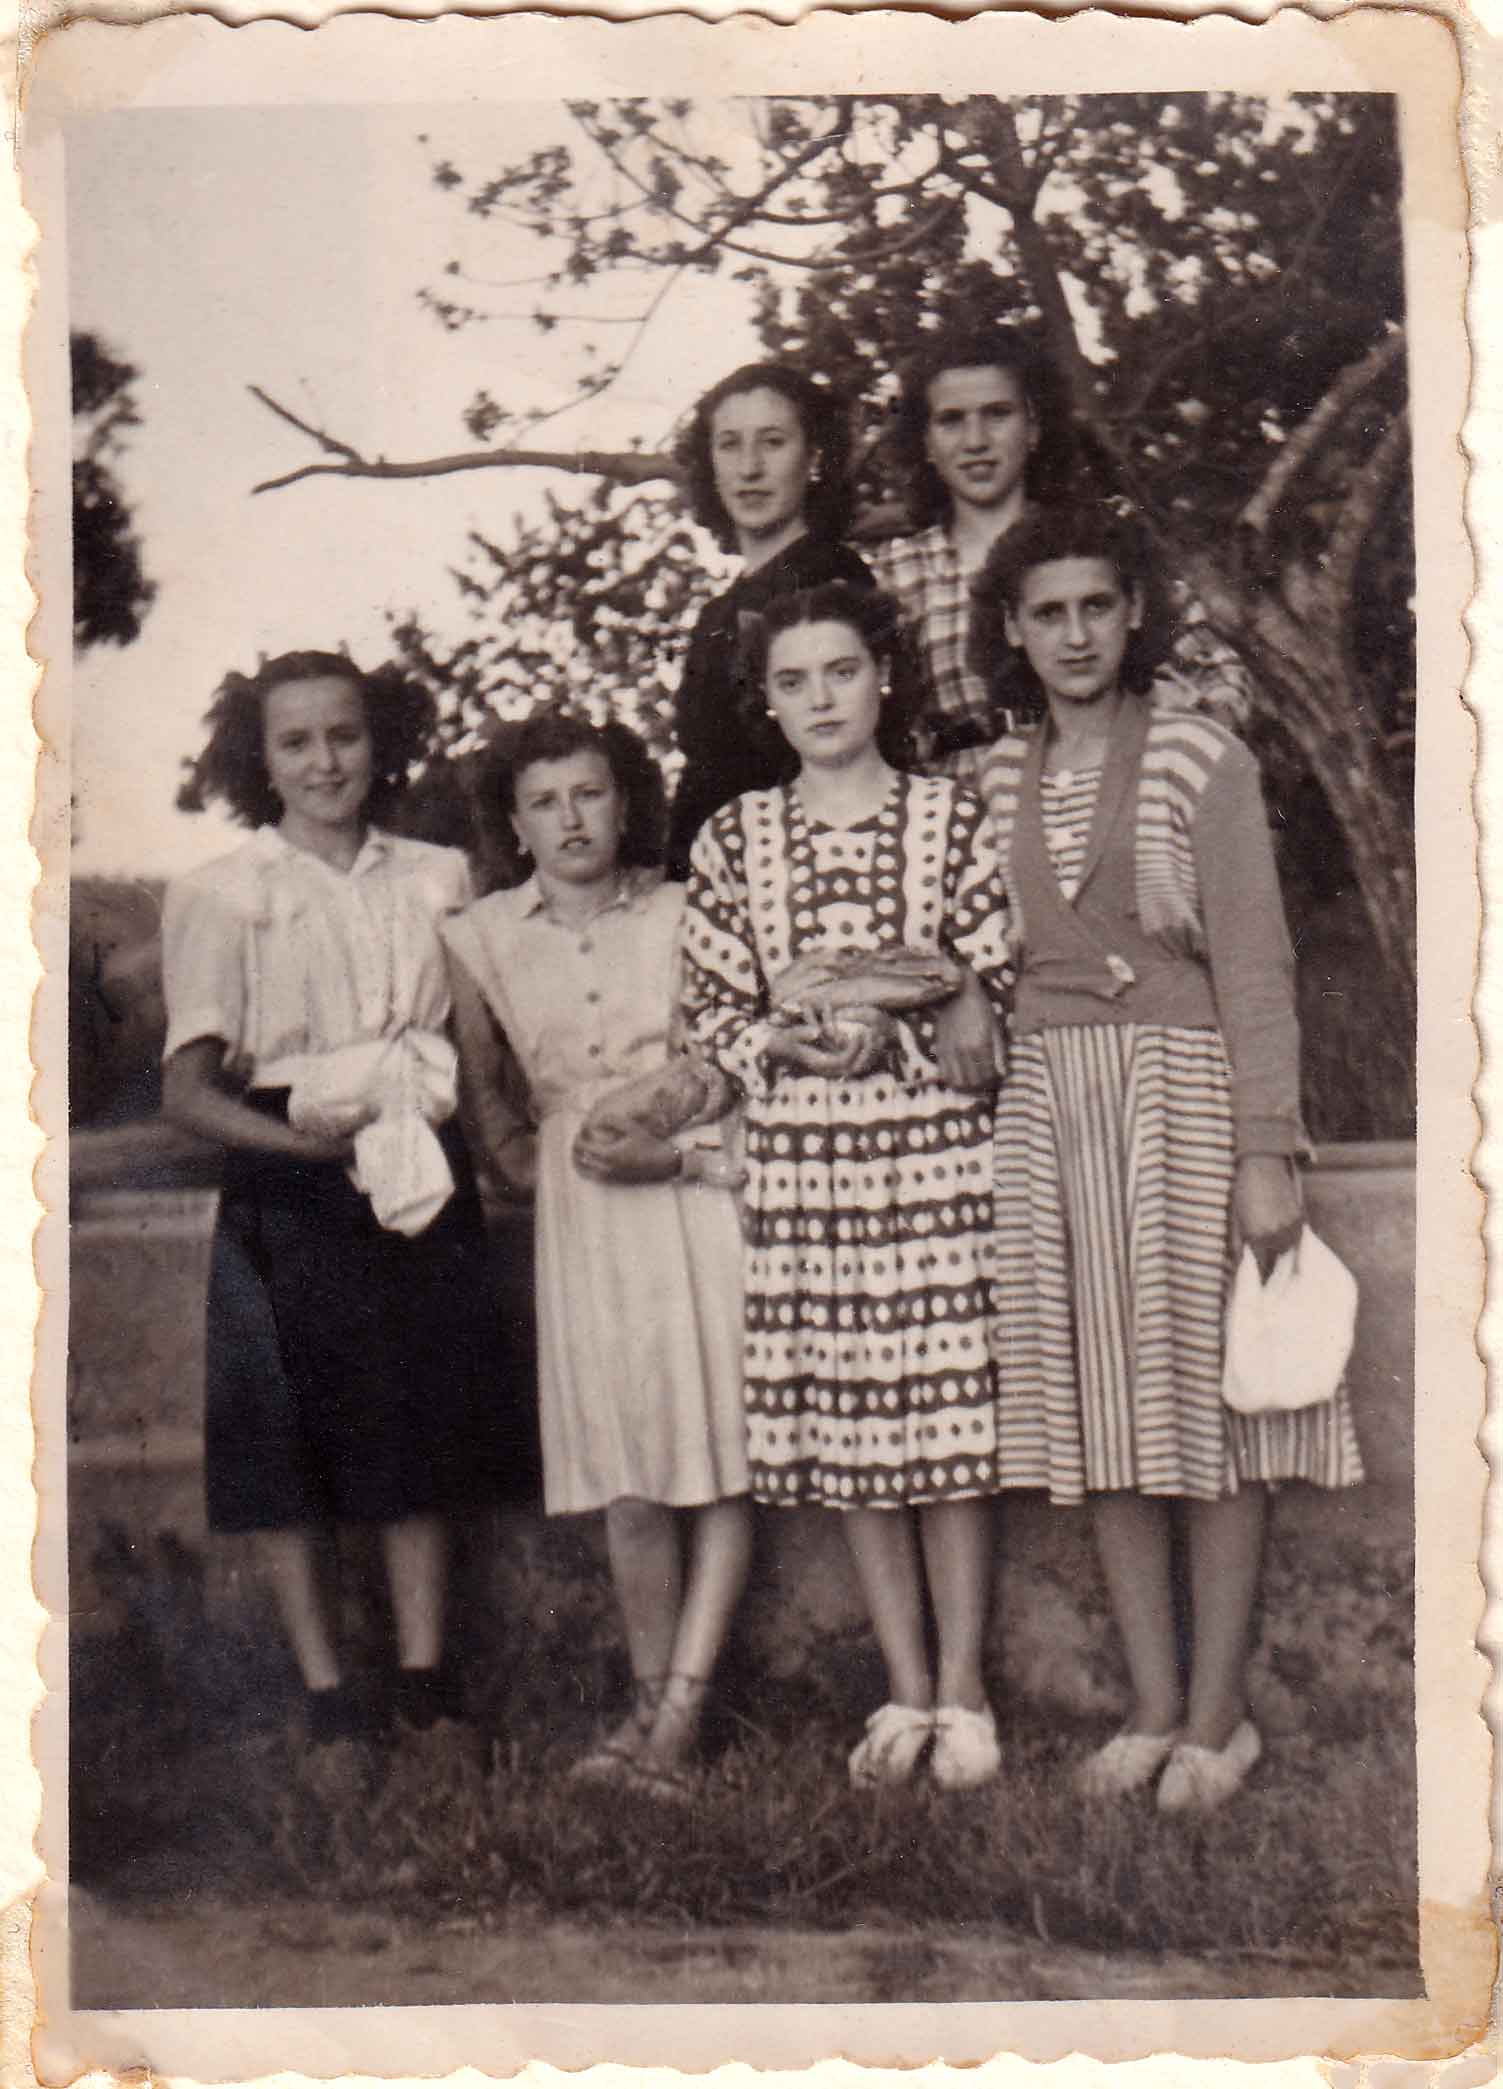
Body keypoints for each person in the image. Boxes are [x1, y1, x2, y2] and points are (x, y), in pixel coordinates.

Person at [970, 507, 1365, 1813]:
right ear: (1012, 630)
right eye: (1046, 613)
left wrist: (1266, 1149)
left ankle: (1216, 1717)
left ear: (1132, 611)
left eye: (1096, 605)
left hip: (1185, 1093)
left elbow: (1255, 962)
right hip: (1049, 1105)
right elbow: (971, 951)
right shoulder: (990, 778)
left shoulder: (1202, 756)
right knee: (1103, 1408)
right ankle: (1147, 1702)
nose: (1074, 633)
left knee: (1213, 1406)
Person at [680, 581, 1014, 1791]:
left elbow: (988, 978)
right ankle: (906, 1686)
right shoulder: (734, 839)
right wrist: (789, 1034)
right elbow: (714, 1014)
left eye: (839, 672)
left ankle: (966, 1689)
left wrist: (913, 1003)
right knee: (857, 1424)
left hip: (933, 1148)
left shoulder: (950, 818)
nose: (820, 699)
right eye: (792, 681)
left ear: (883, 677)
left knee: (947, 1415)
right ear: (766, 703)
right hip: (808, 1159)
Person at [162, 650, 507, 1743]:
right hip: (292, 1176)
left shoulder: (439, 875)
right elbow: (187, 1091)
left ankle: (424, 1684)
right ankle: (325, 1699)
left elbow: (472, 1040)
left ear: (380, 742)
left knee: (420, 1420)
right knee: (287, 1440)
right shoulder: (224, 891)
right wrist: (306, 1152)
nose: (325, 762)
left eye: (345, 735)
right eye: (296, 741)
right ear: (259, 759)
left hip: (418, 1156)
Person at [442, 710, 751, 1788]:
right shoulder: (478, 935)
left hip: (689, 1185)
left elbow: (727, 1061)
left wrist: (683, 1156)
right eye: (544, 802)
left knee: (719, 1455)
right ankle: (646, 1697)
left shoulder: (685, 910)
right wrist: (538, 1171)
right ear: (514, 824)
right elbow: (483, 1090)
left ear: (625, 804)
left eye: (590, 794)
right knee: (627, 1474)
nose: (570, 819)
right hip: (583, 1206)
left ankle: (682, 1718)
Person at [665, 362, 874, 878]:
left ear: (814, 457)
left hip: (803, 864)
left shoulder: (831, 578)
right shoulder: (717, 612)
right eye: (729, 445)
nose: (749, 468)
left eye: (773, 442)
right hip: (716, 866)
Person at [870, 324, 1077, 771]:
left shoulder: (1090, 543)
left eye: (997, 414)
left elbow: (1217, 675)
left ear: (1033, 428)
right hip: (957, 801)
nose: (976, 441)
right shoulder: (893, 572)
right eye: (951, 420)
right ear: (925, 442)